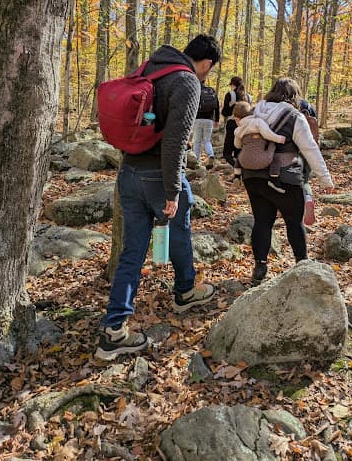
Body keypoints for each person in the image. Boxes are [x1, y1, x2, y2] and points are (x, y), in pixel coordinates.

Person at [96, 34, 222, 360]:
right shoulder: (187, 82)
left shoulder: (152, 68)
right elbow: (176, 141)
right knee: (179, 229)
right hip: (158, 176)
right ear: (206, 63)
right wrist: (173, 190)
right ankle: (185, 291)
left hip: (129, 172)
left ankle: (114, 329)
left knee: (132, 253)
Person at [240, 78, 334, 285]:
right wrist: (325, 179)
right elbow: (310, 148)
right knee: (293, 221)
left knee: (262, 221)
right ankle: (302, 265)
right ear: (294, 96)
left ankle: (260, 267)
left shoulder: (254, 111)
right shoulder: (294, 116)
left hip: (252, 175)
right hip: (284, 177)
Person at [221, 76, 251, 166]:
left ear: (233, 85)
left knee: (227, 154)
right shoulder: (248, 97)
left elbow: (225, 112)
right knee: (239, 152)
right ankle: (238, 175)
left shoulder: (230, 95)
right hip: (245, 126)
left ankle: (238, 169)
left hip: (232, 124)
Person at [192, 81, 219, 169]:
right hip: (209, 120)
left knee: (197, 141)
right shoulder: (211, 91)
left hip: (197, 119)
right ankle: (210, 154)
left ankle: (197, 161)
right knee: (207, 140)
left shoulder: (196, 90)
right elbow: (217, 106)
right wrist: (217, 120)